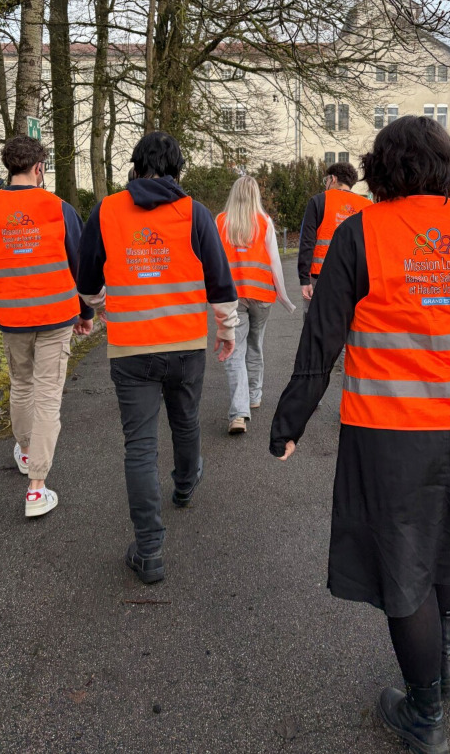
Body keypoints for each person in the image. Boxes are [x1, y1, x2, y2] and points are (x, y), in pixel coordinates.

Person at [270, 116, 450, 754]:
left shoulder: (361, 234)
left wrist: (290, 420)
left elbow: (320, 339)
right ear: (446, 168)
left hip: (390, 430)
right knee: (445, 541)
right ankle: (444, 669)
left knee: (401, 563)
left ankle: (424, 715)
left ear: (381, 170)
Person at [76, 132, 239, 584]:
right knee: (184, 421)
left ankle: (149, 551)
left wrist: (101, 304)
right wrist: (225, 331)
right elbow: (220, 278)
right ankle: (185, 486)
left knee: (140, 447)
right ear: (177, 170)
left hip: (130, 350)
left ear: (135, 166)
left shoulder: (107, 210)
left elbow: (87, 277)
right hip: (185, 346)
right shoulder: (194, 213)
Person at [0, 134, 93, 517]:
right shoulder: (58, 208)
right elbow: (81, 264)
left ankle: (24, 452)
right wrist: (86, 313)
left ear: (9, 168)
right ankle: (37, 486)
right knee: (48, 396)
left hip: (12, 317)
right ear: (39, 168)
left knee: (21, 385)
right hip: (55, 316)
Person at [216, 176, 295, 435]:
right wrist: (284, 297)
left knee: (234, 350)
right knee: (255, 344)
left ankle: (238, 414)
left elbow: (214, 262)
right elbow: (274, 262)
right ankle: (254, 395)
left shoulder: (221, 222)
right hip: (262, 295)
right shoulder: (264, 222)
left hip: (232, 297)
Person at [297, 162, 370, 318]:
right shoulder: (367, 206)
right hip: (353, 277)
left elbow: (307, 242)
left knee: (315, 323)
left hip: (320, 275)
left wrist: (304, 279)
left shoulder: (319, 201)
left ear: (333, 178)